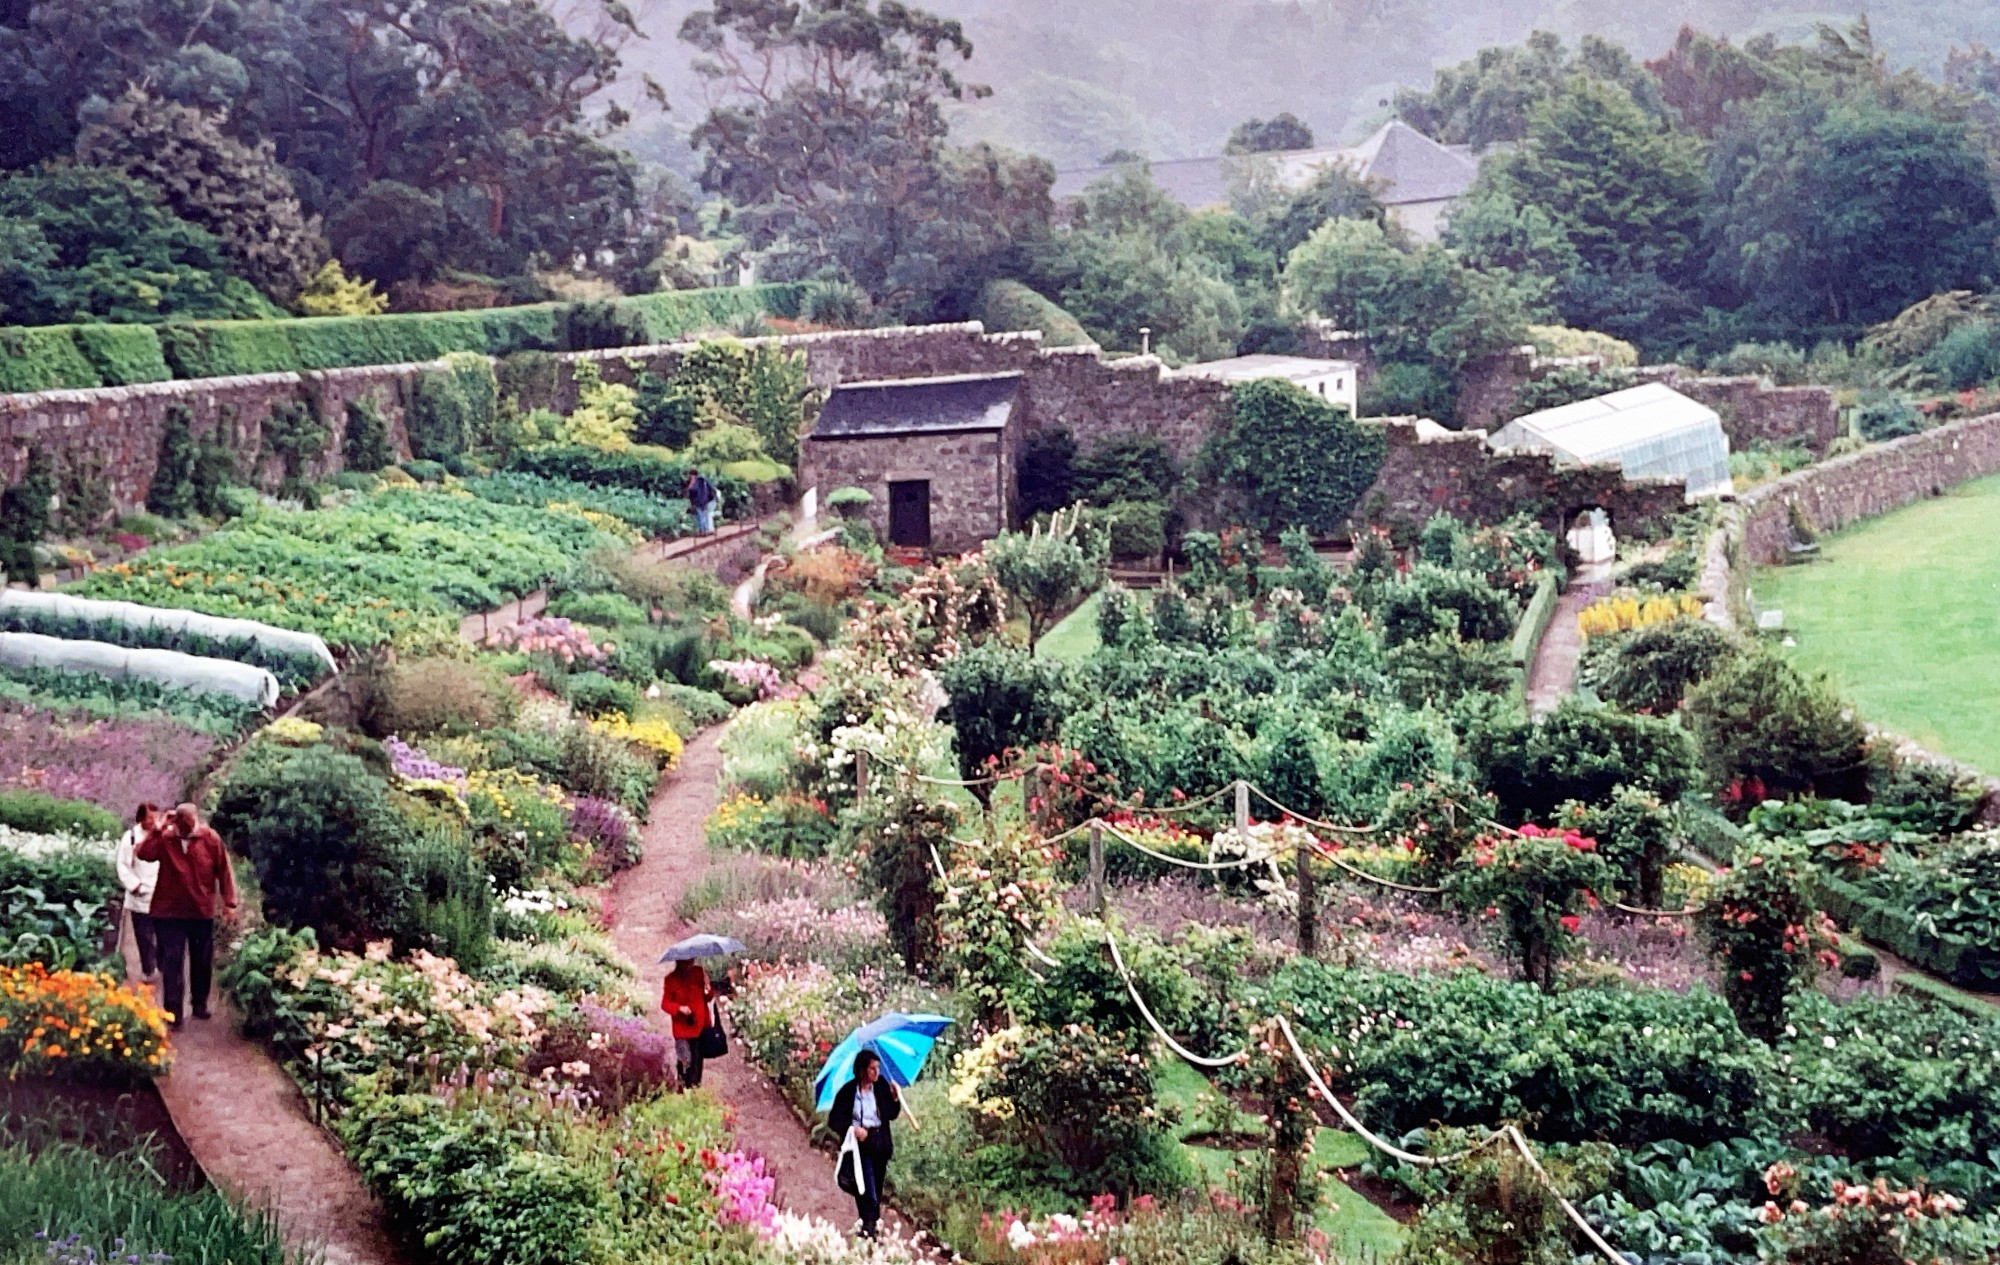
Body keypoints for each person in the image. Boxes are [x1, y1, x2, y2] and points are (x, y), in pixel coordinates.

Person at [136, 803, 238, 1029]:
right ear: (176, 822)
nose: (188, 831)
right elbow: (143, 854)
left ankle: (199, 1004)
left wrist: (229, 903)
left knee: (202, 960)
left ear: (197, 820)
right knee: (172, 963)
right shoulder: (165, 838)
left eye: (192, 826)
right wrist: (157, 829)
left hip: (201, 911)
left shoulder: (210, 839)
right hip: (169, 913)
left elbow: (224, 870)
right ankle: (174, 1014)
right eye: (183, 827)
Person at [826, 1048, 902, 1239]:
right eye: (872, 1069)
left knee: (875, 1184)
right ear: (862, 1070)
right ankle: (870, 1224)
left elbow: (891, 1114)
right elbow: (834, 1120)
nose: (876, 1072)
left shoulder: (882, 1086)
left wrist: (894, 1098)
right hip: (860, 1145)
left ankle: (868, 1223)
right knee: (865, 1184)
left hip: (879, 1141)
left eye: (878, 1068)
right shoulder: (848, 1091)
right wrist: (852, 1128)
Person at [114, 803, 163, 981]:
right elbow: (122, 865)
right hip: (139, 896)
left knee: (163, 934)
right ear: (141, 818)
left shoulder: (162, 835)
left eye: (155, 818)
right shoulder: (131, 837)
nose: (153, 822)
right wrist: (135, 886)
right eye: (149, 818)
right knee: (144, 937)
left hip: (161, 894)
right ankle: (149, 970)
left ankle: (161, 964)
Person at [659, 957, 715, 1088]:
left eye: (691, 961)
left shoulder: (699, 973)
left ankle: (695, 1089)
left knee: (697, 1061)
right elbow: (665, 1003)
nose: (690, 965)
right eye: (686, 962)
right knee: (684, 1060)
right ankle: (683, 1088)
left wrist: (707, 986)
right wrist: (679, 1008)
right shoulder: (671, 979)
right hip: (681, 1029)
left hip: (698, 1026)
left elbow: (708, 997)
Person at [686, 468, 718, 535]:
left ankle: (703, 530)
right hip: (704, 500)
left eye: (689, 475)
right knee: (702, 515)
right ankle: (704, 530)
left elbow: (695, 491)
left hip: (700, 501)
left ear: (692, 475)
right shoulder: (702, 480)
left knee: (701, 515)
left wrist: (690, 486)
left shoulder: (698, 481)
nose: (688, 476)